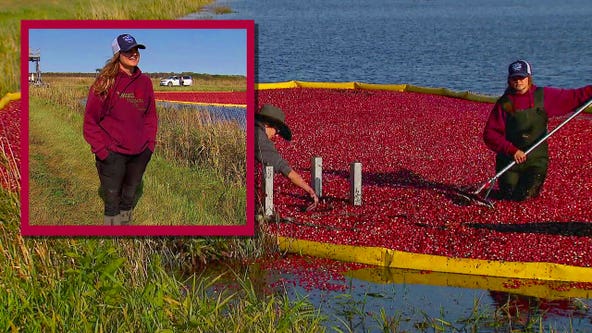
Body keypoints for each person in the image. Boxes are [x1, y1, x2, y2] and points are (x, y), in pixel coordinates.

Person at [483, 60, 592, 201]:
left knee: (525, 197)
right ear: (509, 80)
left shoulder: (543, 96)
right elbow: (490, 134)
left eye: (522, 77)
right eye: (514, 78)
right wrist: (512, 150)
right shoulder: (506, 104)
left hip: (535, 162)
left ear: (529, 77)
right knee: (508, 196)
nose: (519, 82)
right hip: (509, 162)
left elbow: (574, 96)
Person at [83, 34, 158, 225]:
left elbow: (150, 116)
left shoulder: (145, 82)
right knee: (112, 198)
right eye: (128, 51)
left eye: (136, 50)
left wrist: (149, 145)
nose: (133, 54)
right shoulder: (105, 82)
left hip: (140, 152)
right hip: (112, 153)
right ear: (118, 54)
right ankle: (112, 235)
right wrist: (102, 151)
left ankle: (124, 227)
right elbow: (90, 122)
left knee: (129, 195)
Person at [255, 104, 319, 213]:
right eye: (277, 131)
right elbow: (283, 167)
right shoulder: (260, 139)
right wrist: (309, 190)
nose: (275, 135)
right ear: (267, 125)